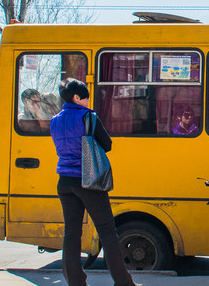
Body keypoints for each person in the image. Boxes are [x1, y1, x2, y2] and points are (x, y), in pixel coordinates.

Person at [50, 78, 137, 286]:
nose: (89, 101)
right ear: (77, 97)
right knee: (107, 231)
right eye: (87, 97)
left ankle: (76, 282)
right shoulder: (88, 116)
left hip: (64, 181)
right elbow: (107, 144)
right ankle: (123, 282)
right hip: (88, 180)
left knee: (71, 233)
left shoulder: (55, 120)